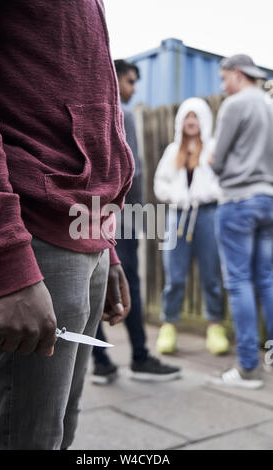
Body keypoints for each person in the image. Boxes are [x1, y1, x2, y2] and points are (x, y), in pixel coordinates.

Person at [0, 1, 134, 450]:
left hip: (84, 234)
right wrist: (4, 259)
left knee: (57, 434)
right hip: (29, 232)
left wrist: (106, 241)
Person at [92, 60, 181, 384]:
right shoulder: (121, 112)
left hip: (86, 212)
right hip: (122, 213)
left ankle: (101, 361)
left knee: (90, 283)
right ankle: (140, 358)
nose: (132, 89)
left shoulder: (89, 107)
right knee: (130, 282)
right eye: (130, 81)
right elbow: (132, 170)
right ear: (115, 77)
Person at [210, 54, 273, 390]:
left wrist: (212, 158)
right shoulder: (270, 104)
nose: (223, 86)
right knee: (266, 279)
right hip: (269, 200)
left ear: (237, 74)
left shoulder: (235, 105)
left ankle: (249, 368)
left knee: (239, 282)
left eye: (224, 78)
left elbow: (218, 162)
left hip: (238, 202)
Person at [154, 98, 229, 356]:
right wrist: (175, 197)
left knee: (212, 274)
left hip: (208, 216)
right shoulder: (172, 150)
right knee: (174, 276)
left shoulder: (213, 148)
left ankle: (215, 327)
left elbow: (224, 181)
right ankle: (169, 325)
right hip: (177, 217)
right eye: (187, 117)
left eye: (196, 117)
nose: (191, 122)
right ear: (181, 121)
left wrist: (207, 193)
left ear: (204, 120)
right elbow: (160, 184)